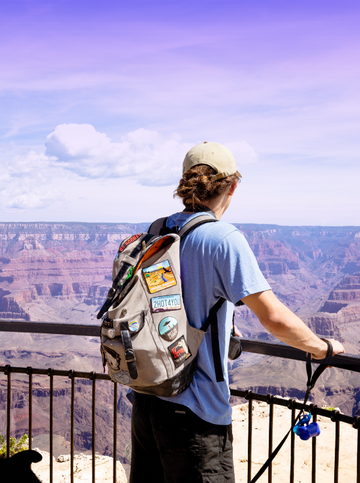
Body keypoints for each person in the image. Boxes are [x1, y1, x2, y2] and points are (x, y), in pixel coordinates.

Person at [130, 141, 345, 483]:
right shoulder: (221, 238)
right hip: (195, 411)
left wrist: (222, 325)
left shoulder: (157, 230)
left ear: (186, 185)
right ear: (231, 187)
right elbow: (273, 317)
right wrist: (322, 348)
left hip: (147, 399)